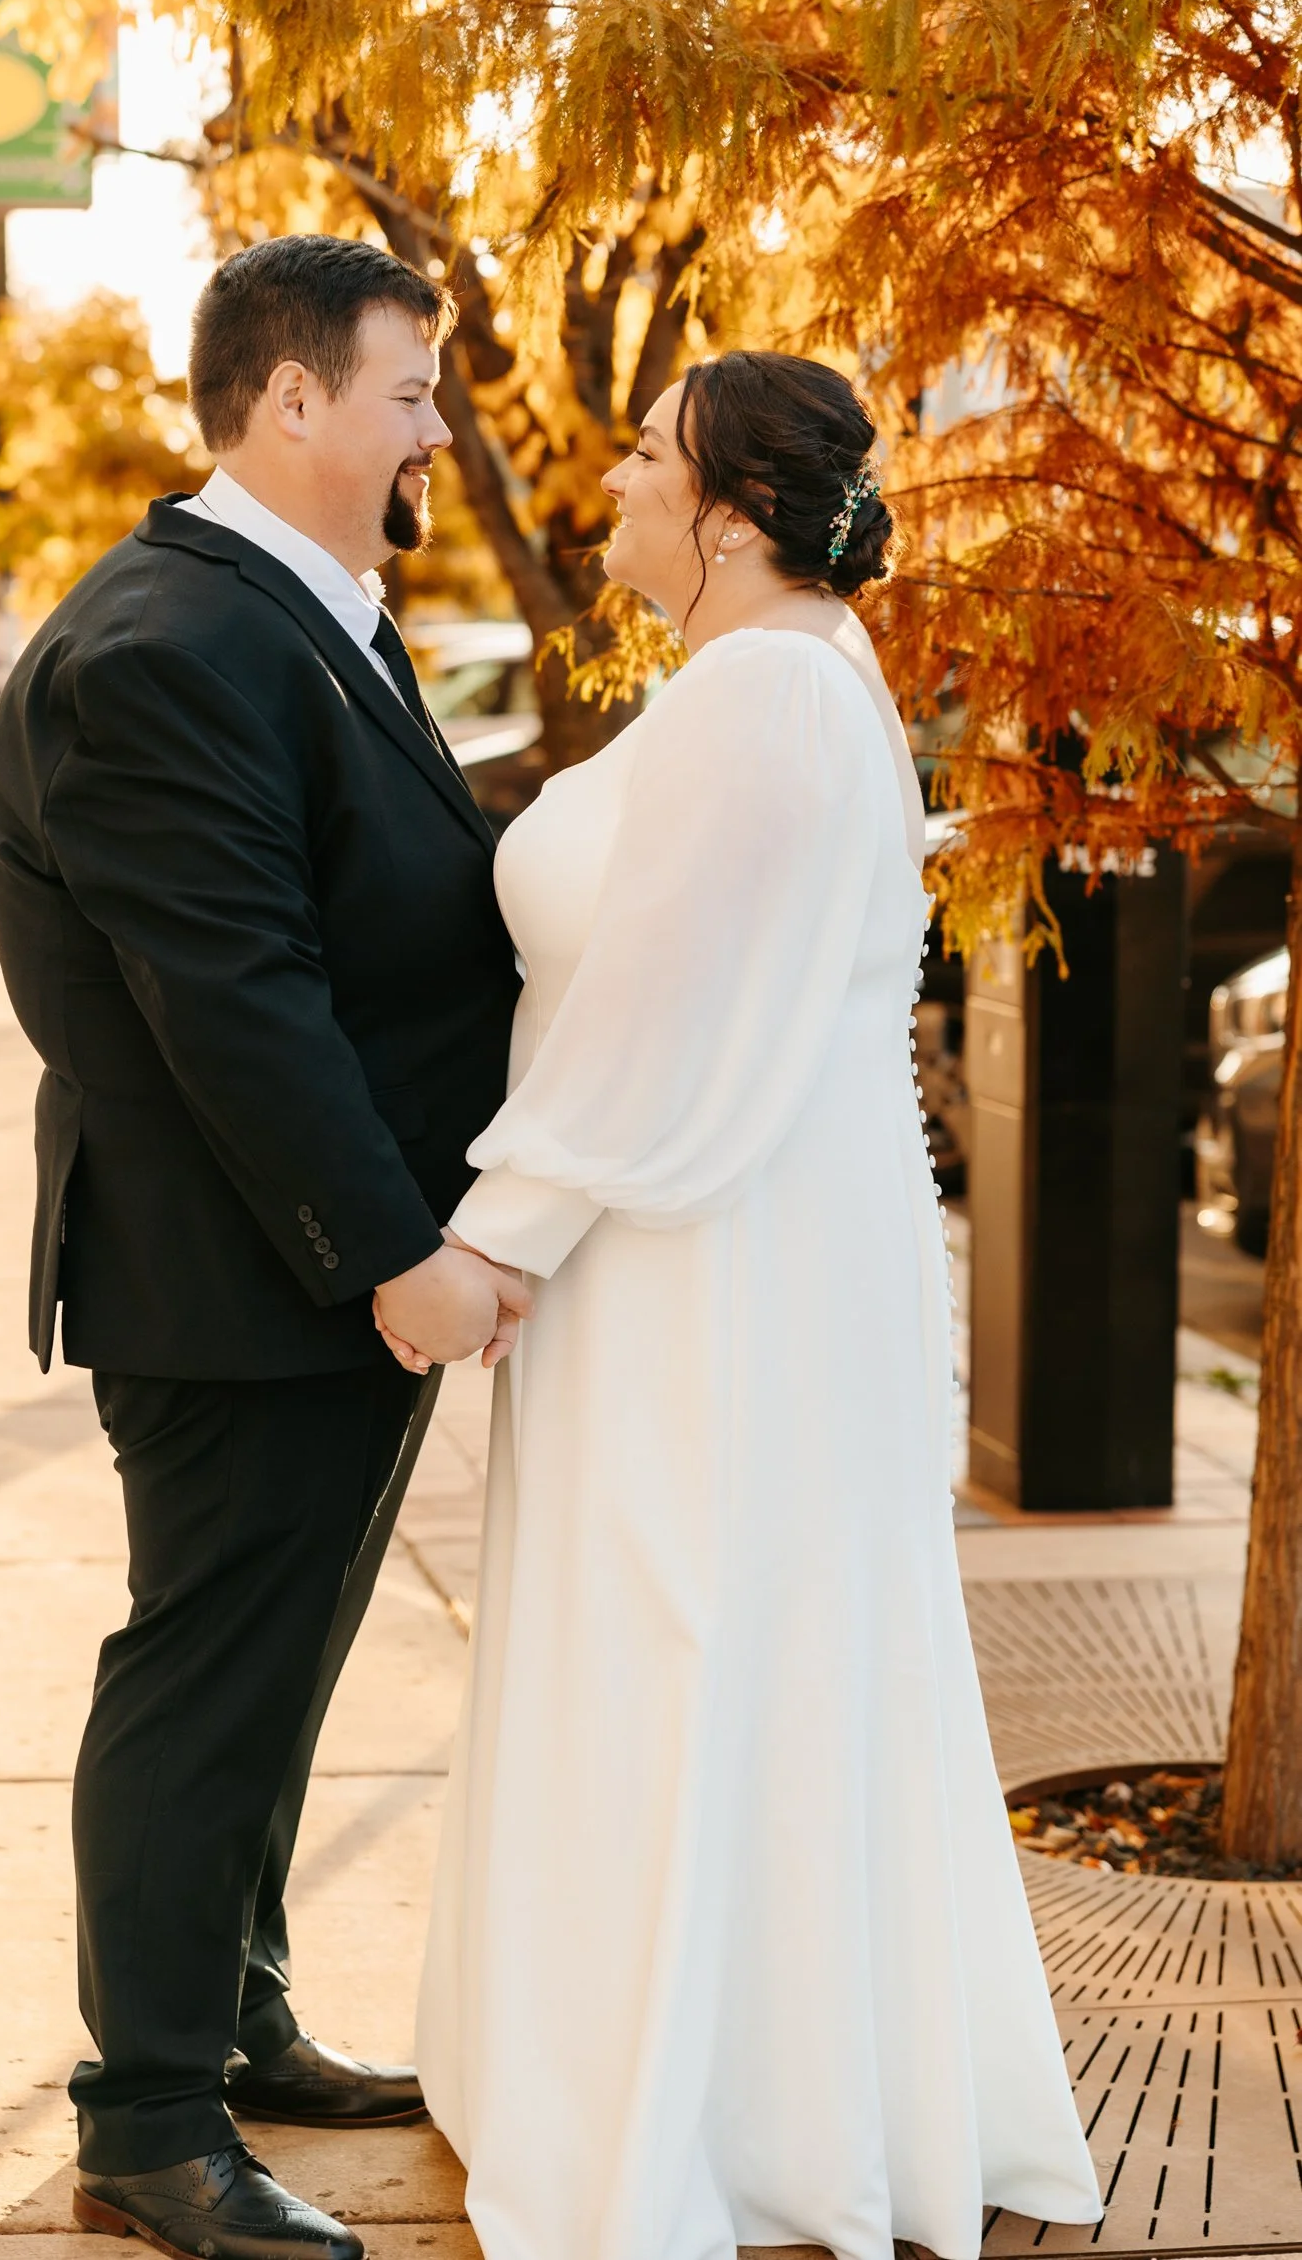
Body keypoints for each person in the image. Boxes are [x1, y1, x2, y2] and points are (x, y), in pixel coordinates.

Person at [388, 352, 1106, 2260]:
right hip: (709, 1233)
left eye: (641, 457)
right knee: (684, 1627)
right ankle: (662, 2076)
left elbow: (669, 1013)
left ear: (722, 514)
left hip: (718, 1261)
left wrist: (496, 1241)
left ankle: (702, 2118)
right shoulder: (749, 682)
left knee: (690, 1627)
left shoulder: (772, 691)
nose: (607, 482)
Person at [0, 234, 529, 2260]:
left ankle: (237, 2017)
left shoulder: (302, 611)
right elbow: (237, 995)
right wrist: (388, 1248)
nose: (432, 427)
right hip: (241, 1275)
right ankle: (146, 2112)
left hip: (313, 1272)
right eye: (406, 390)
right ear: (287, 399)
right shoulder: (165, 650)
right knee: (203, 1674)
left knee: (273, 1667)